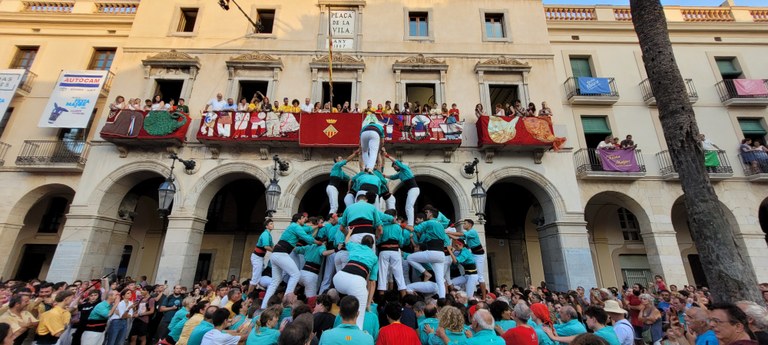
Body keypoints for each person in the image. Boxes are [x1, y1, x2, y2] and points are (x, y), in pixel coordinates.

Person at [261, 213, 322, 309]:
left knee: (275, 281)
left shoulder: (293, 226)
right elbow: (306, 237)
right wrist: (317, 242)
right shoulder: (296, 226)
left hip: (275, 254)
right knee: (296, 274)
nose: (305, 220)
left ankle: (263, 306)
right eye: (303, 218)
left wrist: (317, 226)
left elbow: (307, 228)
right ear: (299, 219)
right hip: (281, 254)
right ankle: (286, 303)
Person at [332, 234, 378, 331]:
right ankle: (356, 334)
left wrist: (349, 232)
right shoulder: (374, 257)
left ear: (361, 242)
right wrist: (368, 303)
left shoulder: (355, 246)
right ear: (372, 246)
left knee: (349, 303)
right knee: (359, 318)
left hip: (339, 279)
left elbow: (346, 241)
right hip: (356, 283)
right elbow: (372, 283)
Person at [404, 212, 449, 299]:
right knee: (440, 281)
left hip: (432, 252)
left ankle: (426, 273)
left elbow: (414, 229)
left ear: (431, 214)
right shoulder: (441, 225)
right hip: (441, 254)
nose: (426, 214)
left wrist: (402, 225)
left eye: (427, 212)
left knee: (409, 258)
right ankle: (442, 299)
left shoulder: (428, 222)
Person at [448, 219, 487, 299]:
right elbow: (457, 238)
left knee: (480, 277)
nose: (463, 225)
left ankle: (484, 297)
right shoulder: (467, 237)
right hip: (473, 253)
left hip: (479, 255)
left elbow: (460, 234)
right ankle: (462, 291)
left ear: (470, 224)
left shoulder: (472, 232)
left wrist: (447, 232)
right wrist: (448, 234)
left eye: (465, 223)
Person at [381, 148, 419, 226]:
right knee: (407, 207)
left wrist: (387, 155)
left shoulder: (405, 168)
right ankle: (410, 222)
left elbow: (396, 162)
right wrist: (384, 175)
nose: (395, 169)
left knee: (409, 207)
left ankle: (410, 224)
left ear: (398, 165)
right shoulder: (400, 174)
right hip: (411, 190)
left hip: (413, 189)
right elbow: (392, 177)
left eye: (395, 167)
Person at [377, 209, 407, 297]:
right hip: (395, 251)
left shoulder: (381, 226)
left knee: (382, 275)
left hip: (383, 251)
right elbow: (401, 242)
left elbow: (378, 241)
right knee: (399, 275)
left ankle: (381, 299)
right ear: (395, 217)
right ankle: (404, 298)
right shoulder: (398, 227)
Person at [326, 150, 357, 215]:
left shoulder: (341, 172)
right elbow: (346, 160)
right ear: (336, 160)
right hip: (332, 187)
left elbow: (350, 179)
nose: (342, 159)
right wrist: (354, 154)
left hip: (334, 188)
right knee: (334, 206)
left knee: (335, 206)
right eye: (340, 158)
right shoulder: (336, 165)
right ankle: (330, 218)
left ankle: (331, 217)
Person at [249, 219, 274, 295]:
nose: (273, 225)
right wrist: (274, 251)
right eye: (271, 224)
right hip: (257, 257)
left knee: (258, 277)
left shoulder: (268, 234)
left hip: (260, 258)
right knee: (255, 278)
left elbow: (272, 246)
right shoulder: (265, 234)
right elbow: (266, 246)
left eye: (272, 223)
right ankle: (248, 296)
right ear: (266, 226)